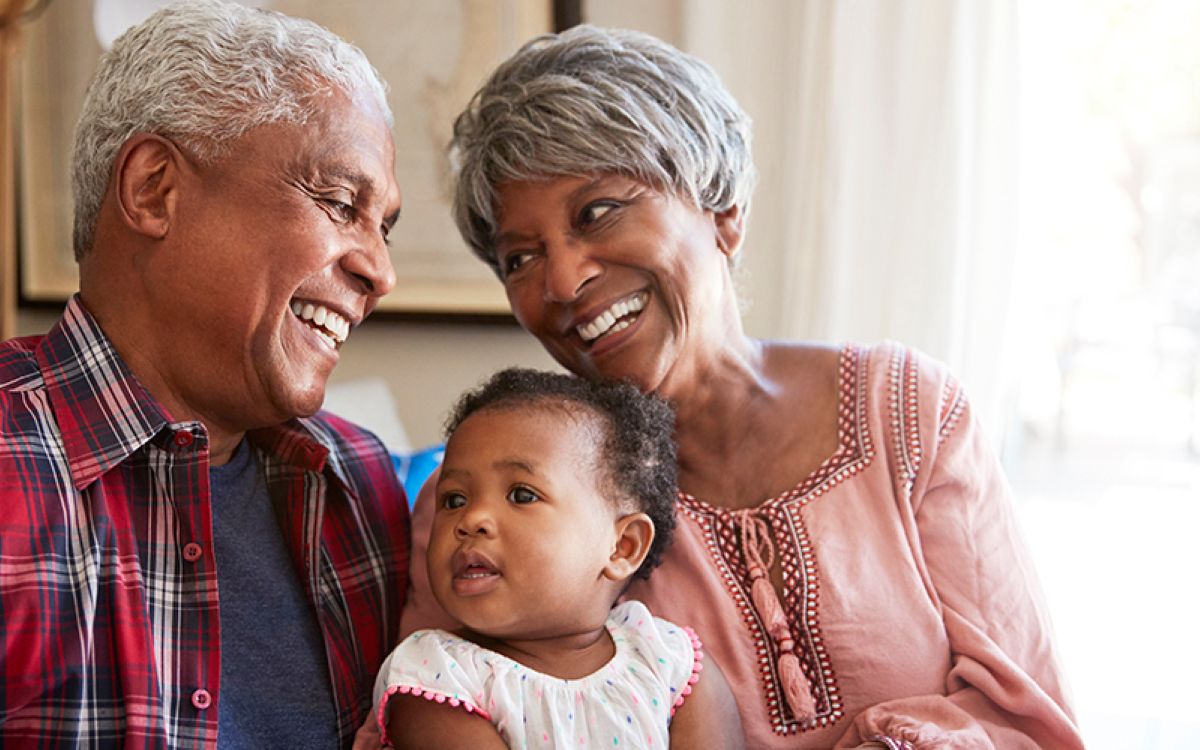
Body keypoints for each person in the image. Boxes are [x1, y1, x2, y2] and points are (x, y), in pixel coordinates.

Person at [399, 24, 1086, 749]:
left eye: (598, 212)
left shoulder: (911, 414)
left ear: (722, 211)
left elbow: (1026, 720)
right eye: (520, 258)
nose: (563, 282)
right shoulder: (478, 502)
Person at [0, 1, 408, 747]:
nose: (380, 271)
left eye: (384, 227)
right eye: (340, 203)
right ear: (155, 188)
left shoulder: (363, 484)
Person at [374, 368, 743, 749]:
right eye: (454, 500)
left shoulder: (669, 662)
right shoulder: (434, 676)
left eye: (521, 495)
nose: (471, 520)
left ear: (623, 547)